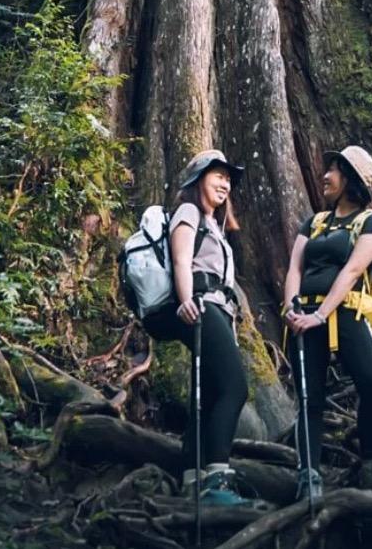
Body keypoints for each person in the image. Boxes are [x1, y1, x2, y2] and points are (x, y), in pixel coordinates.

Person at [283, 146, 372, 500]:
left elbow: (353, 269)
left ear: (352, 181)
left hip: (344, 314)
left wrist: (320, 315)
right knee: (310, 399)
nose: (325, 175)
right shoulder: (313, 222)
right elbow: (295, 268)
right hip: (304, 319)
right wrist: (291, 308)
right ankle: (307, 478)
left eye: (335, 170)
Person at [142, 149, 251, 506]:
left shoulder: (215, 225)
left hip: (215, 310)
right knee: (235, 388)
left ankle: (193, 477)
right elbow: (181, 259)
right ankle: (216, 479)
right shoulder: (189, 211)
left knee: (208, 395)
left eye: (228, 178)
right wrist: (187, 300)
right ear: (198, 179)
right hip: (200, 307)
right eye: (217, 175)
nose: (225, 183)